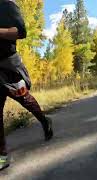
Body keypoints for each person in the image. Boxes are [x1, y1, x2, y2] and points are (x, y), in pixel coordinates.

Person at [0, 0, 53, 170]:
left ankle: (45, 121)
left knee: (24, 99)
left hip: (8, 66)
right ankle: (2, 156)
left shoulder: (7, 4)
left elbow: (20, 31)